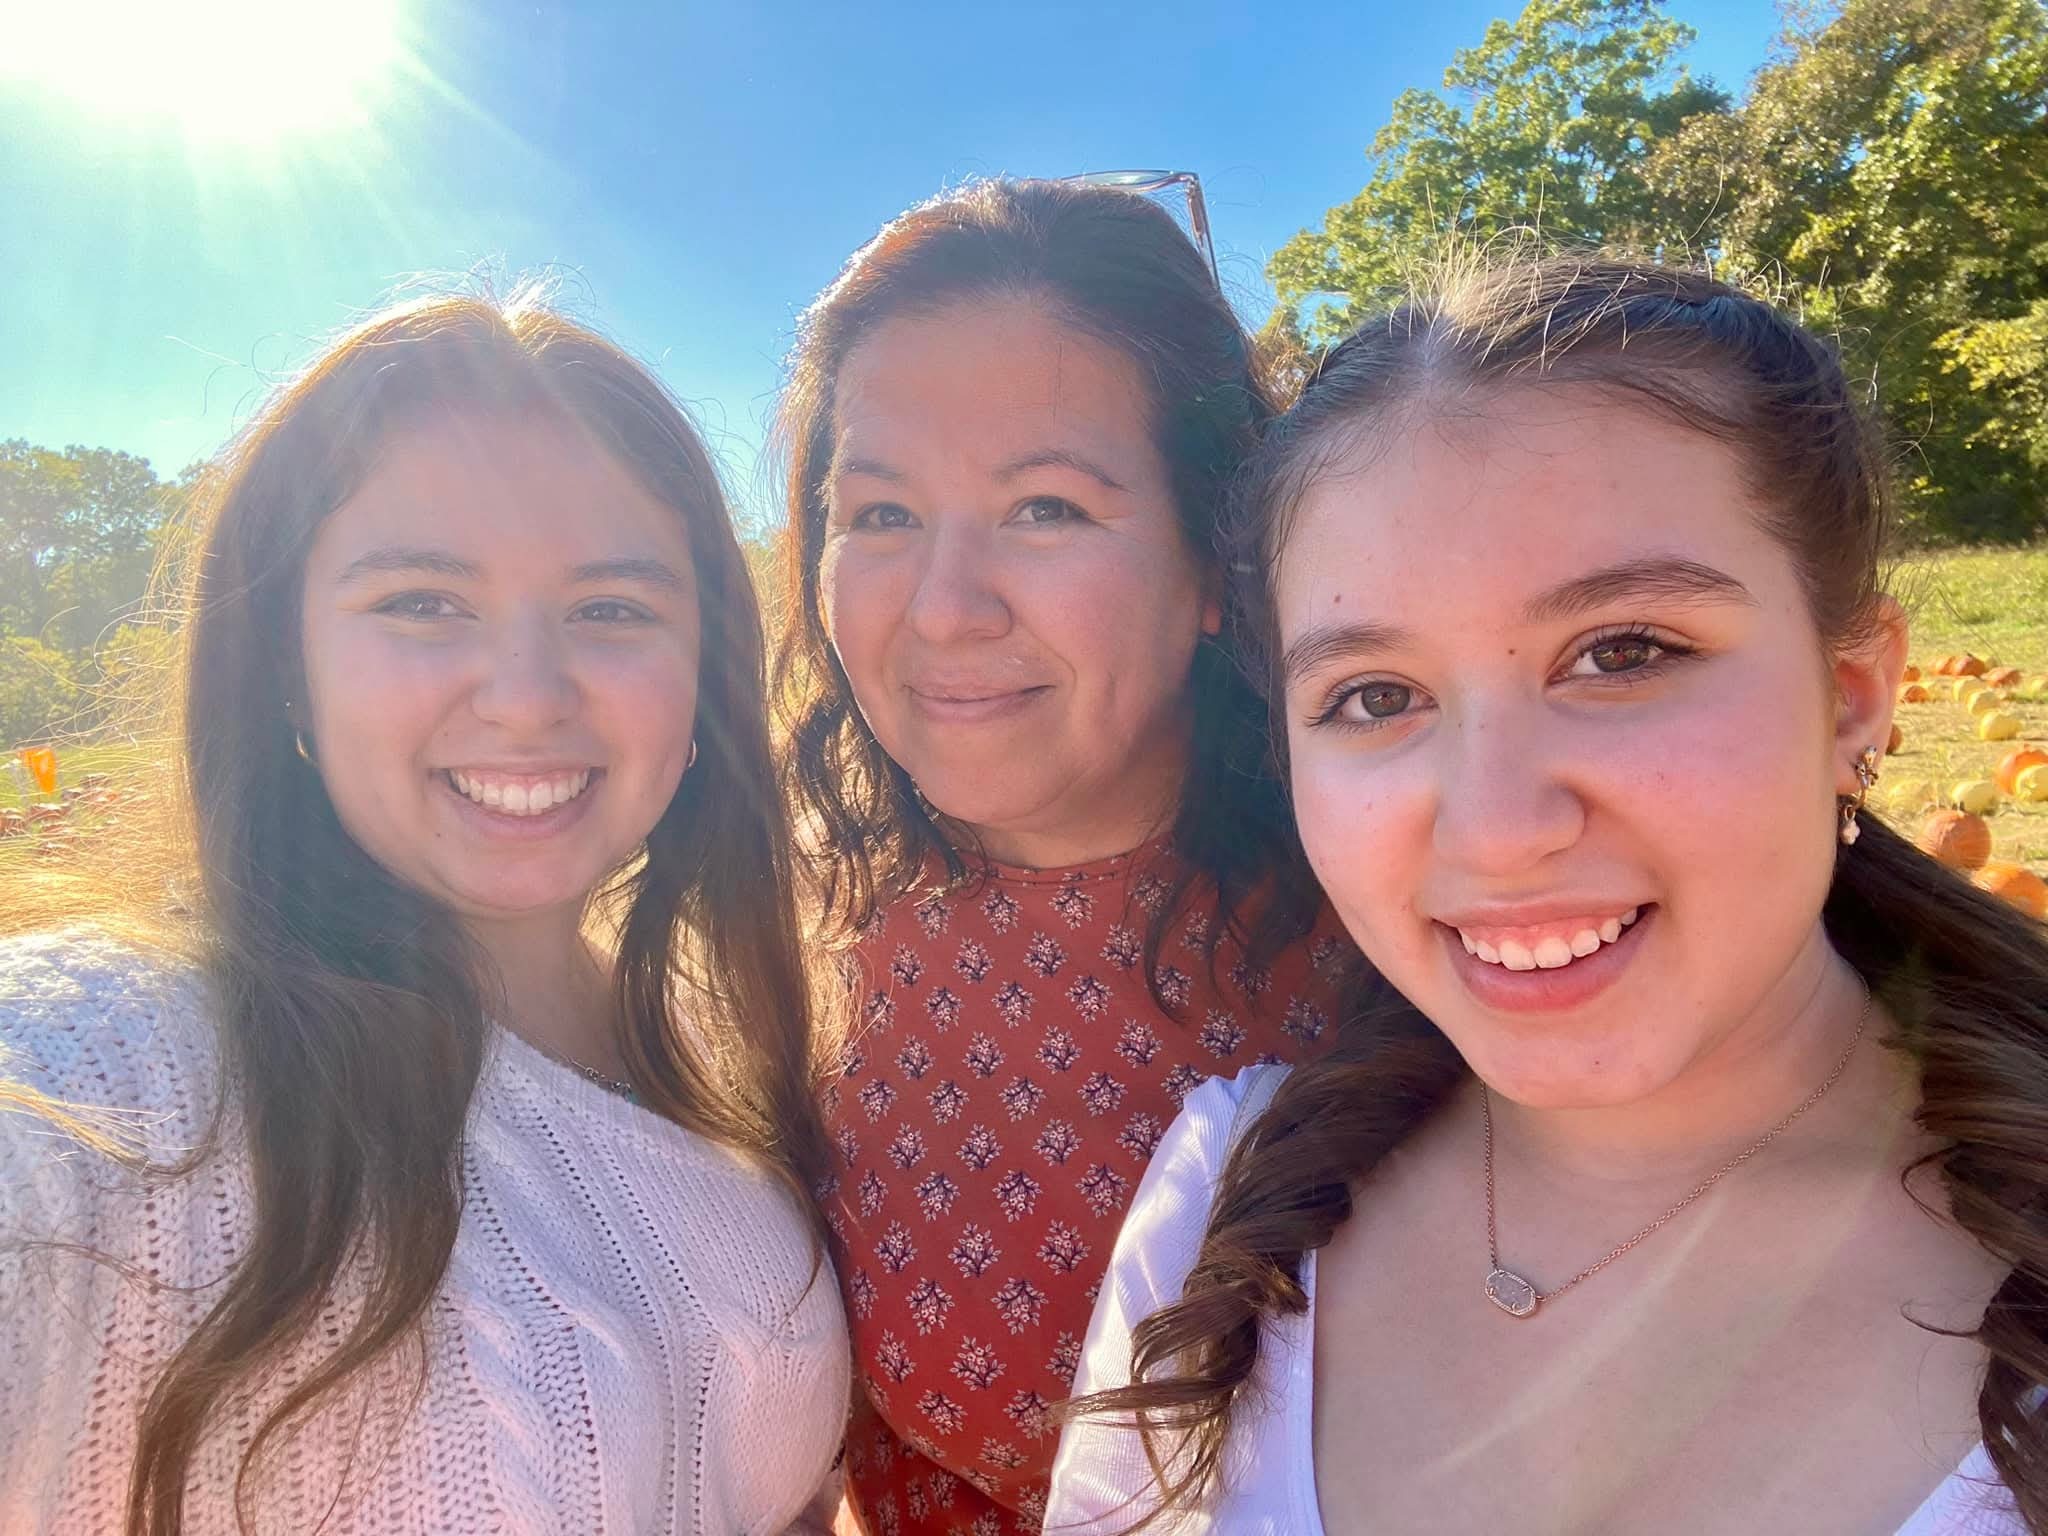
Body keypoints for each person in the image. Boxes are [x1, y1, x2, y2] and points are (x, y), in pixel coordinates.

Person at [1049, 257, 2048, 1534]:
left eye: (1621, 654)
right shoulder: (1217, 1214)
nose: (1496, 828)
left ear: (1850, 696)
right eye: (1373, 697)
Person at [0, 290, 849, 1534]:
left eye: (611, 609)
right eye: (421, 601)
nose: (525, 695)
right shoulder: (110, 1074)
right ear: (288, 665)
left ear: (702, 679)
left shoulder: (726, 1036)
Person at [774, 177, 1358, 1531]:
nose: (944, 609)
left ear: (1215, 560)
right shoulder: (787, 951)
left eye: (1043, 508)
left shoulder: (1410, 912)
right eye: (880, 515)